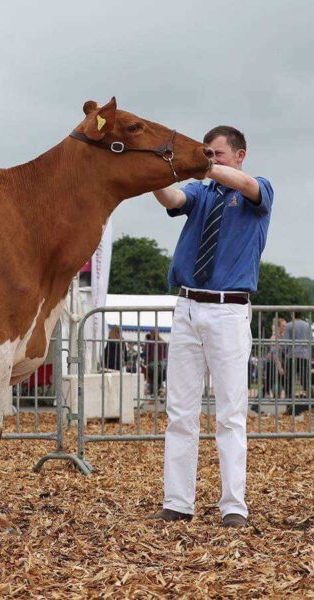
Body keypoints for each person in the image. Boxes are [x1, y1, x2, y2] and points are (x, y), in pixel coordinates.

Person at [149, 125, 273, 528]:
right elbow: (173, 197)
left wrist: (198, 164)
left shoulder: (257, 190)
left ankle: (233, 505)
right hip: (186, 306)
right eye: (208, 153)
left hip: (228, 310)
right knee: (180, 412)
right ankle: (177, 501)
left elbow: (246, 185)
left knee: (230, 413)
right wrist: (157, 172)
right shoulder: (203, 194)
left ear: (239, 155)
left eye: (217, 154)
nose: (211, 160)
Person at [282, 316, 312, 414]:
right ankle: (311, 401)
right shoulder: (307, 325)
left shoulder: (289, 325)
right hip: (304, 356)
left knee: (289, 383)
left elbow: (285, 342)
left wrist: (285, 353)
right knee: (305, 381)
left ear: (292, 314)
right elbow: (311, 340)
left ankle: (289, 406)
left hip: (292, 356)